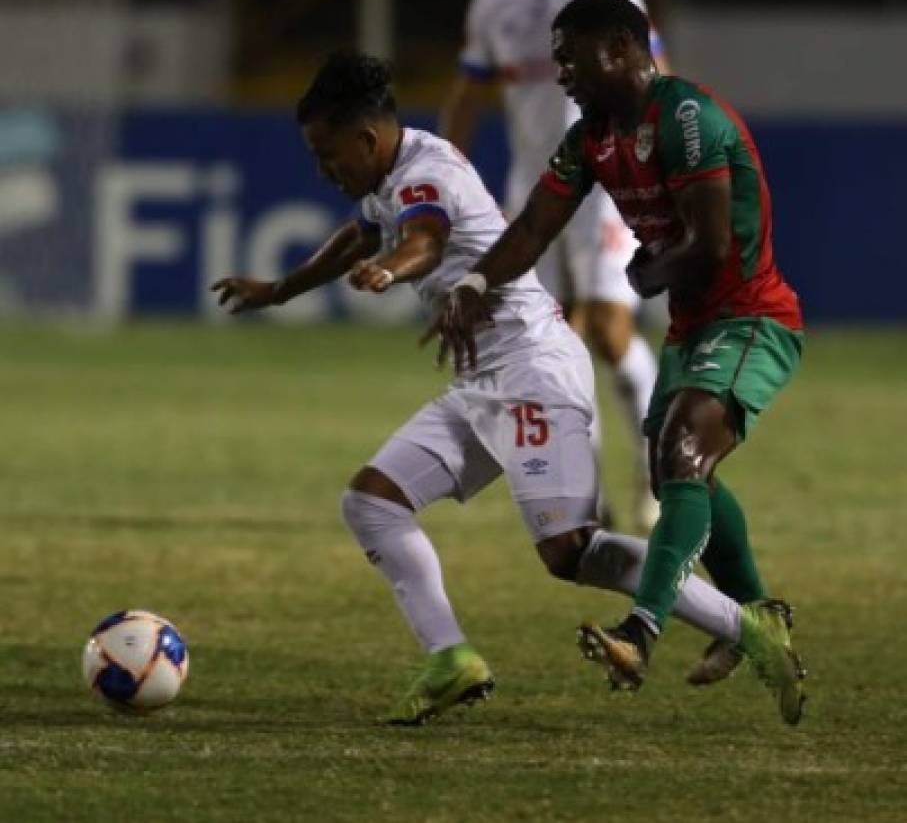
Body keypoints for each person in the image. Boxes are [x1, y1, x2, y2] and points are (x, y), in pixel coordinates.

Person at [212, 50, 798, 726]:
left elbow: (425, 240)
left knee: (571, 552)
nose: (324, 170)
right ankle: (450, 659)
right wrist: (280, 289)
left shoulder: (424, 173)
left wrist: (391, 272)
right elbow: (360, 233)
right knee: (372, 502)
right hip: (482, 381)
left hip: (532, 373)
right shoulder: (389, 173)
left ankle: (746, 625)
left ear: (366, 140)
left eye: (327, 156)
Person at [426, 0, 807, 724]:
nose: (560, 71)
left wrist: (641, 276)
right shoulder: (590, 136)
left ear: (623, 49)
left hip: (751, 319)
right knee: (682, 465)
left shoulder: (686, 118)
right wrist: (475, 281)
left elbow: (709, 246)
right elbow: (536, 225)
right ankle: (756, 616)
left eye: (569, 56)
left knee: (682, 452)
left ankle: (642, 630)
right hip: (693, 329)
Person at [440, 0, 665, 531]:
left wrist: (656, 164)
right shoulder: (493, 4)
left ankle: (655, 467)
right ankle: (587, 495)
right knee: (550, 345)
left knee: (610, 331)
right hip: (536, 192)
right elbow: (468, 94)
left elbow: (657, 81)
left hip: (608, 189)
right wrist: (443, 180)